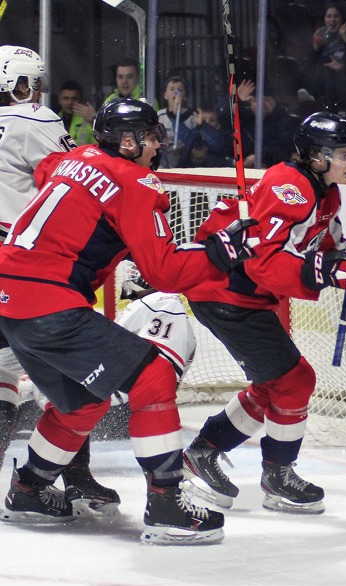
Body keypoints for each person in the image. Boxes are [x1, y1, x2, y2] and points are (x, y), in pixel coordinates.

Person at [0, 97, 256, 544]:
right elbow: (165, 273)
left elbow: (48, 177)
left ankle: (29, 489)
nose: (159, 144)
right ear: (129, 141)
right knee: (153, 375)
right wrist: (220, 253)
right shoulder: (136, 180)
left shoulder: (71, 158)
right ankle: (166, 502)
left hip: (10, 299)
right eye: (153, 135)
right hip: (49, 299)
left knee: (84, 403)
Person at [181, 112, 346, 514]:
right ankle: (278, 475)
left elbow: (326, 246)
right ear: (317, 156)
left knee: (275, 385)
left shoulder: (325, 191)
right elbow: (261, 262)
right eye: (342, 153)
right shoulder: (290, 187)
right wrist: (327, 272)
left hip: (243, 295)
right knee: (296, 380)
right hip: (226, 293)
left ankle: (204, 451)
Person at [0, 45, 119, 515]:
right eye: (35, 82)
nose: (40, 92)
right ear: (21, 85)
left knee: (4, 370)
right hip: (31, 267)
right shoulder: (34, 120)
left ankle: (45, 481)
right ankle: (73, 477)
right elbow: (75, 177)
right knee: (73, 371)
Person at [157, 76, 196, 169]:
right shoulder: (159, 116)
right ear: (165, 95)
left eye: (180, 90)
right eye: (171, 89)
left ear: (185, 96)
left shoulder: (192, 118)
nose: (176, 93)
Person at [56, 80, 95, 147]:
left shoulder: (88, 121)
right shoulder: (54, 120)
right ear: (59, 100)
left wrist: (94, 119)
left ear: (80, 100)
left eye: (74, 99)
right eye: (65, 99)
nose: (69, 102)